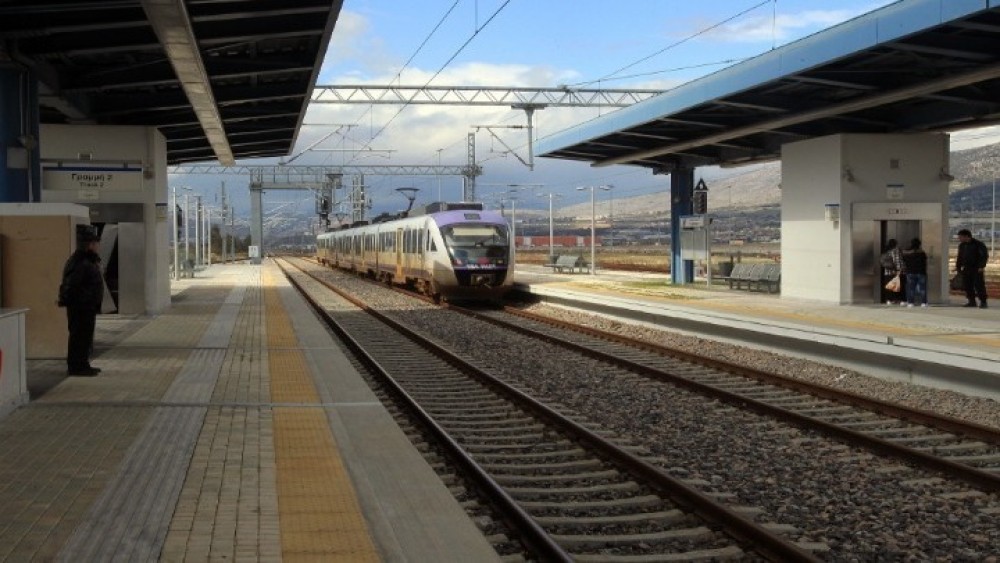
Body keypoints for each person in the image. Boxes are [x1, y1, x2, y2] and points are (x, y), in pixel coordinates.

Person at [58, 225, 104, 376]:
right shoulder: (79, 262)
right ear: (90, 245)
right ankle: (76, 367)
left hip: (87, 306)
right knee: (79, 336)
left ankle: (83, 364)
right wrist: (81, 300)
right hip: (80, 307)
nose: (98, 246)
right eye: (96, 243)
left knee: (85, 336)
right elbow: (71, 286)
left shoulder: (87, 260)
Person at [955, 228, 989, 309]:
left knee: (979, 285)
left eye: (960, 237)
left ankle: (983, 301)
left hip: (976, 268)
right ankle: (971, 301)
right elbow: (959, 257)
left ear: (966, 236)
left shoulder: (978, 244)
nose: (959, 239)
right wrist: (958, 267)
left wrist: (981, 266)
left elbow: (984, 256)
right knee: (967, 285)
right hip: (966, 268)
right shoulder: (962, 246)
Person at [901, 238, 928, 308]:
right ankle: (923, 303)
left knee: (911, 288)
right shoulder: (922, 253)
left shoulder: (906, 252)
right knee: (922, 288)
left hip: (910, 272)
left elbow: (903, 261)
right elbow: (925, 262)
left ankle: (910, 303)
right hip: (921, 272)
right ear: (919, 244)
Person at [880, 238, 904, 305]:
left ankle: (889, 300)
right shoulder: (896, 251)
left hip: (887, 272)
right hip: (895, 271)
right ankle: (898, 300)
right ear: (896, 244)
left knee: (889, 286)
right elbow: (897, 261)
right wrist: (899, 270)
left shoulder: (887, 251)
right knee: (897, 286)